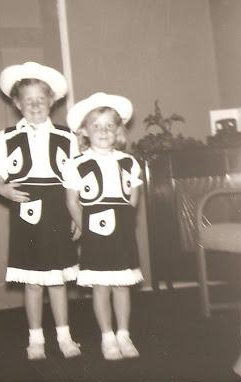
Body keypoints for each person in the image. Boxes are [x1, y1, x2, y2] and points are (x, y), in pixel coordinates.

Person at [0, 61, 81, 360]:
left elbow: (75, 180)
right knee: (33, 280)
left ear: (52, 101)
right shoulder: (7, 137)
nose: (35, 105)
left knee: (57, 279)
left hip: (58, 208)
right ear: (17, 103)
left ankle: (64, 336)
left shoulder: (67, 137)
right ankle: (36, 338)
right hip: (25, 208)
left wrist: (77, 215)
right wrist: (2, 188)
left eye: (41, 99)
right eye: (28, 100)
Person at [63, 92, 144, 360]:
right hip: (94, 230)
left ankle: (124, 334)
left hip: (121, 230)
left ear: (119, 131)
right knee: (101, 286)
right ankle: (107, 337)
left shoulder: (128, 162)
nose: (103, 131)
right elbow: (73, 202)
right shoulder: (77, 164)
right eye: (96, 125)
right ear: (84, 131)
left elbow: (133, 194)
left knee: (121, 284)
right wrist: (85, 228)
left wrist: (126, 220)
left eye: (110, 125)